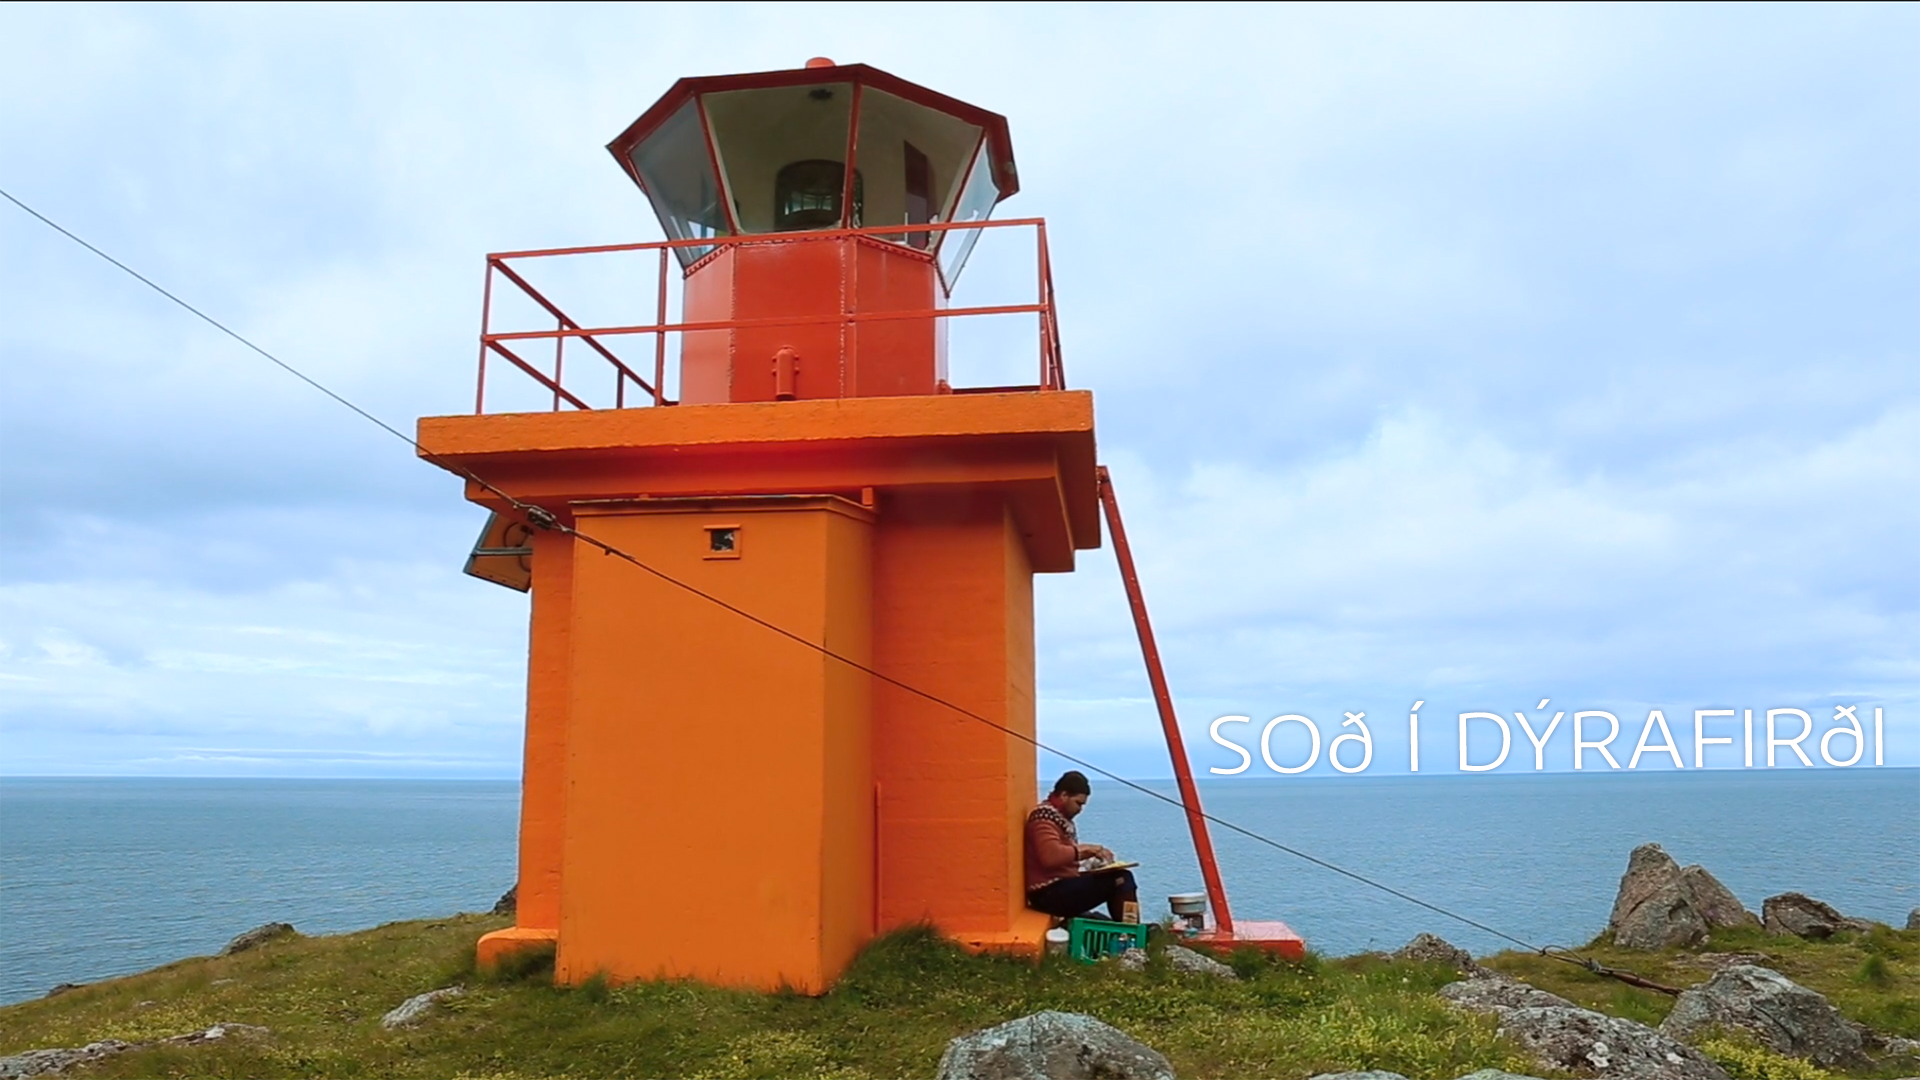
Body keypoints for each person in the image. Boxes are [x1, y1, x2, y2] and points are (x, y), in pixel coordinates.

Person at [1024, 770, 1139, 922]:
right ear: (1064, 795)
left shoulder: (1059, 818)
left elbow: (1065, 857)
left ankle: (1129, 927)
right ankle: (1132, 928)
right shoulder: (1044, 818)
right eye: (1078, 803)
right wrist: (1087, 850)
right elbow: (1050, 857)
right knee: (1121, 878)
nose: (1080, 809)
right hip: (1048, 892)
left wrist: (1093, 863)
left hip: (1058, 886)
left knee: (1117, 876)